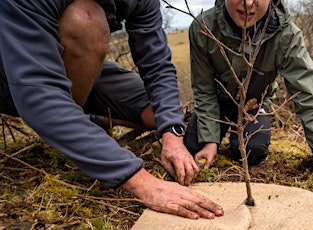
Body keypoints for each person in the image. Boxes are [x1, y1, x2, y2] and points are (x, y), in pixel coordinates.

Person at [0, 0, 223, 219]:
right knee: (85, 18)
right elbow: (38, 92)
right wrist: (142, 182)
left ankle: (85, 122)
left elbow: (157, 66)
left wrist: (172, 134)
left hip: (75, 68)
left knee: (159, 114)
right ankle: (72, 126)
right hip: (18, 70)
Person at [184, 0, 313, 187]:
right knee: (193, 144)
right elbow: (204, 90)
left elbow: (309, 100)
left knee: (253, 151)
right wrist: (210, 142)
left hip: (253, 107)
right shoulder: (203, 27)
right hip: (216, 105)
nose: (248, 3)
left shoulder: (286, 35)